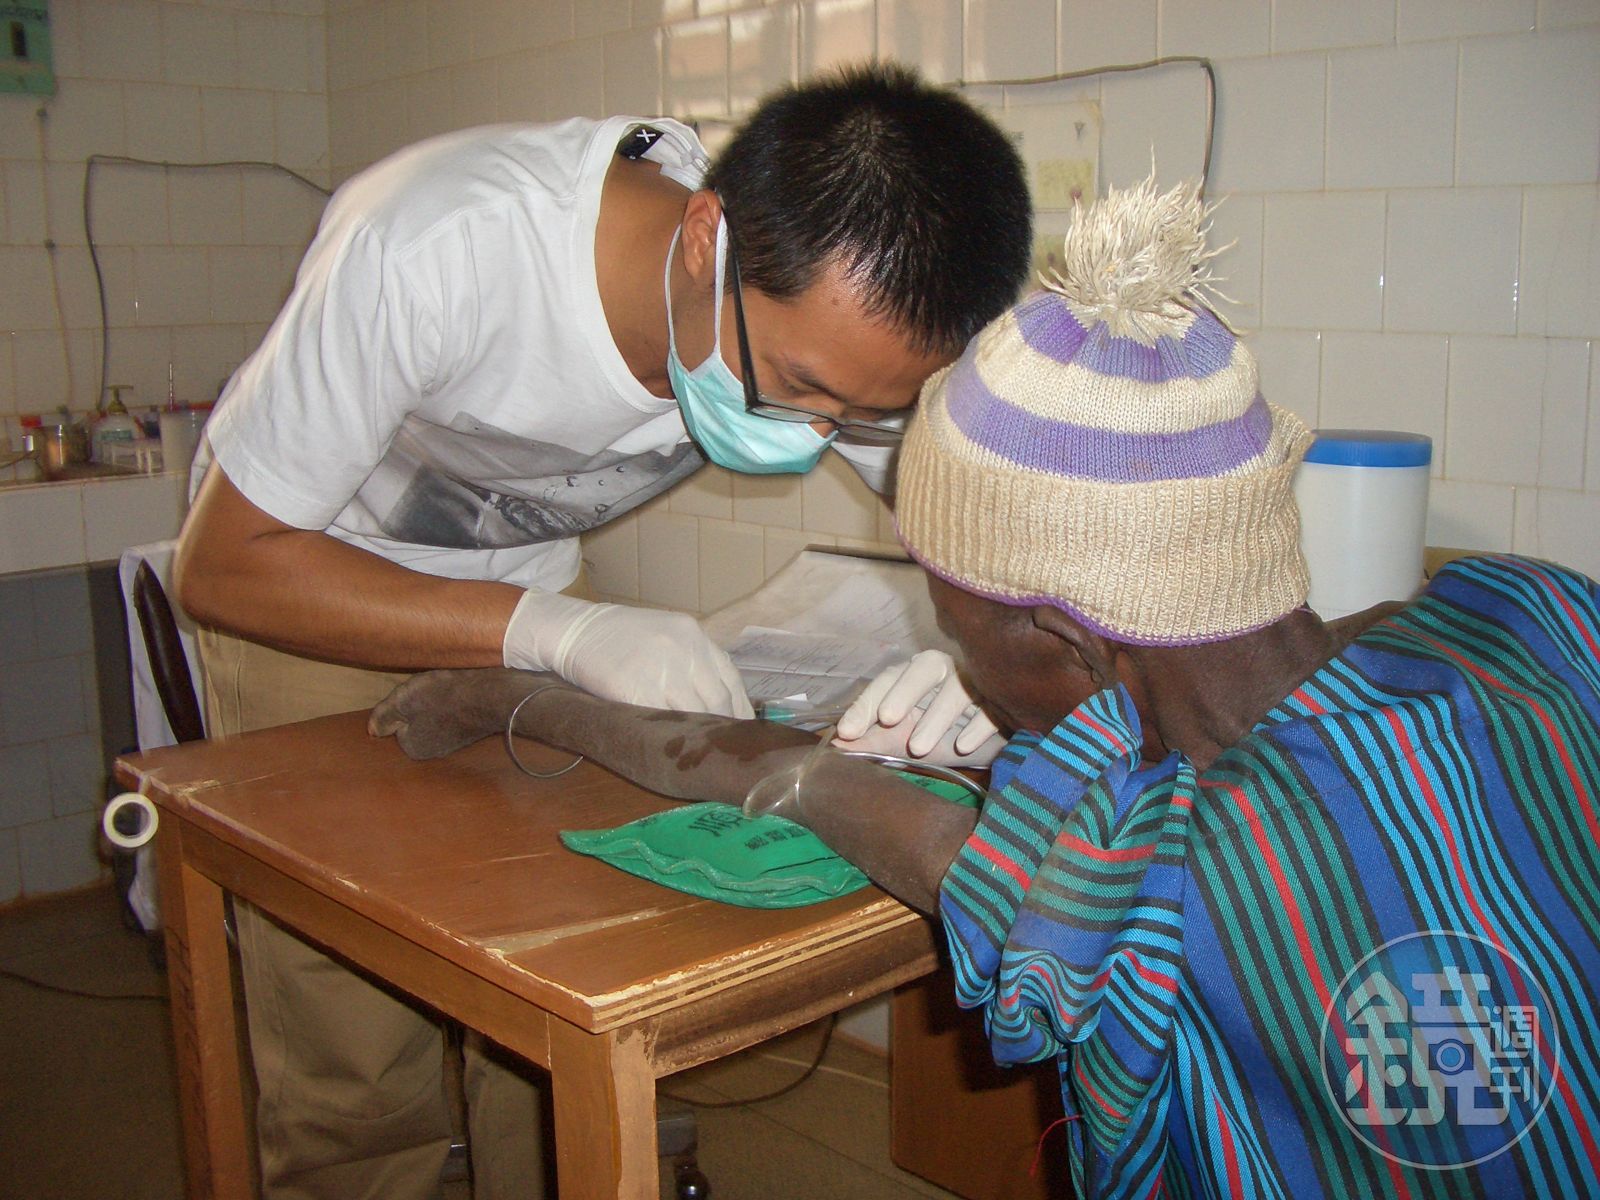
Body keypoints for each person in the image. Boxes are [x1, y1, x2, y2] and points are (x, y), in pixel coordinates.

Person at [373, 176, 1600, 1198]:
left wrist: (500, 694)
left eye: (951, 617)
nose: (953, 655)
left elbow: (787, 777)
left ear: (1065, 637)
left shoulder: (1131, 891)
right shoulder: (1532, 617)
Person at [171, 62, 1031, 1198]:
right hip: (308, 593)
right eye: (795, 386)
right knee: (357, 1041)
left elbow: (972, 538)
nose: (814, 435)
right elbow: (223, 566)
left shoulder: (833, 335)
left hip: (535, 605)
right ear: (705, 239)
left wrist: (993, 665)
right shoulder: (438, 247)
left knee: (551, 986)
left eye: (858, 415)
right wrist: (553, 631)